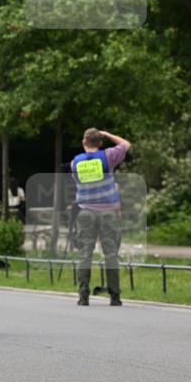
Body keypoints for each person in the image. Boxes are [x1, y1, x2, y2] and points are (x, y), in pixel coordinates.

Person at [71, 127, 131, 306]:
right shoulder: (108, 156)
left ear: (84, 142)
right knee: (111, 254)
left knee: (85, 253)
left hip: (86, 211)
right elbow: (126, 144)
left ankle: (83, 294)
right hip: (108, 212)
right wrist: (107, 134)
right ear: (100, 142)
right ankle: (115, 296)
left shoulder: (75, 162)